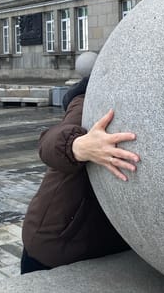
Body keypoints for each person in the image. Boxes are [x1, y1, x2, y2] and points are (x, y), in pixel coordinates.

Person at [21, 58, 139, 274]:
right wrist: (78, 145)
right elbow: (47, 143)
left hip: (113, 248)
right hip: (57, 244)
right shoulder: (90, 101)